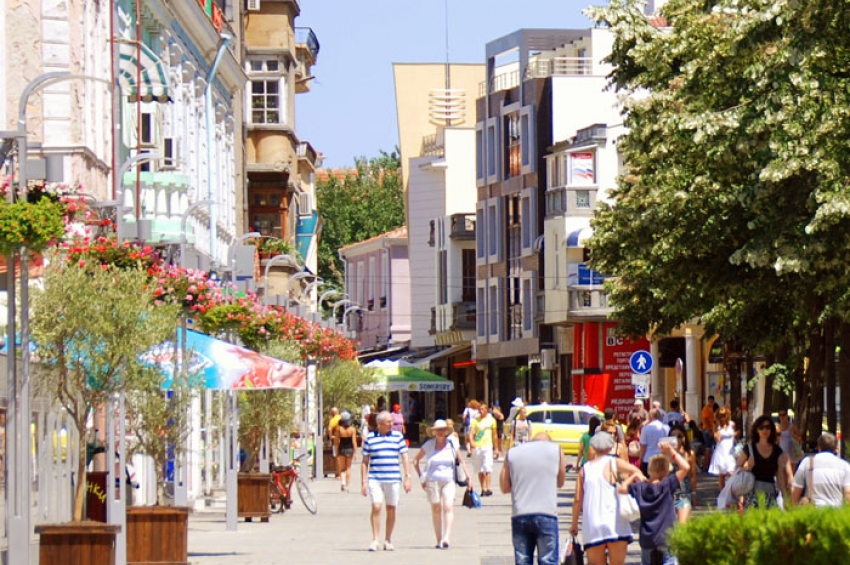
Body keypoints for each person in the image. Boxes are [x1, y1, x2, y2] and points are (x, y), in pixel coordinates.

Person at [570, 432, 644, 565]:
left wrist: (574, 523)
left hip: (593, 524)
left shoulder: (585, 470)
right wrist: (632, 484)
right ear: (611, 447)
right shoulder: (614, 462)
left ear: (593, 447)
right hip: (615, 522)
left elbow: (577, 499)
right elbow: (636, 472)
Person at [619, 441, 690, 565]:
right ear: (664, 471)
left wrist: (634, 476)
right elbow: (686, 467)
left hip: (647, 537)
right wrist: (672, 451)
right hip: (666, 536)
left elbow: (621, 489)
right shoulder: (667, 485)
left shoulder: (640, 487)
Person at [500, 432, 566, 565]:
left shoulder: (513, 453)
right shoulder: (557, 450)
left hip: (520, 513)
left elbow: (504, 487)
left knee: (522, 561)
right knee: (548, 560)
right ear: (548, 442)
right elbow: (560, 482)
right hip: (547, 513)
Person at [413, 419, 472, 549]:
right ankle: (438, 539)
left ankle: (446, 537)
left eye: (442, 430)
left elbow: (461, 460)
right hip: (432, 480)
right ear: (434, 432)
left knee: (448, 506)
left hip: (448, 479)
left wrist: (468, 477)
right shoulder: (429, 445)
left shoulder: (452, 443)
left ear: (446, 431)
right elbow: (415, 460)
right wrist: (421, 477)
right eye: (438, 430)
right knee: (436, 508)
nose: (440, 432)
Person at [361, 410, 412, 551]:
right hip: (375, 478)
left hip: (393, 478)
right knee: (376, 506)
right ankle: (375, 539)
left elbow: (405, 457)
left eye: (392, 421)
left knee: (391, 508)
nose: (392, 424)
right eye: (389, 422)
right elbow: (365, 461)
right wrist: (363, 482)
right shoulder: (370, 438)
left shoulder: (398, 436)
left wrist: (407, 477)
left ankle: (388, 539)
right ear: (380, 423)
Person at [737, 414, 792, 509]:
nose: (765, 430)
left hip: (770, 493)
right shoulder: (749, 448)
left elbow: (779, 475)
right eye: (761, 427)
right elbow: (736, 470)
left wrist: (784, 495)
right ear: (756, 430)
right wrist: (746, 467)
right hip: (752, 494)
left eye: (768, 427)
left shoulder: (777, 451)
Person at [791, 432, 850, 507]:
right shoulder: (845, 466)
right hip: (836, 511)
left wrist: (792, 508)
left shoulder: (807, 462)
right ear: (836, 449)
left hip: (812, 510)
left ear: (819, 447)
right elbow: (848, 493)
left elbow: (796, 490)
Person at [668, 423, 698, 523]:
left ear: (684, 438)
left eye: (679, 436)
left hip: (682, 493)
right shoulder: (666, 454)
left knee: (682, 522)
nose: (676, 439)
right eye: (673, 436)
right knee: (671, 523)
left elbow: (693, 475)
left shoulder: (689, 453)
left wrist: (694, 493)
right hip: (669, 492)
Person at [469, 401, 499, 496]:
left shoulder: (491, 420)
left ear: (486, 409)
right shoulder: (475, 421)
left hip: (487, 446)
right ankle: (483, 489)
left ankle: (488, 488)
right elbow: (471, 433)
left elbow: (495, 435)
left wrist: (496, 448)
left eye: (482, 409)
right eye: (479, 409)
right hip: (478, 447)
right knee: (480, 469)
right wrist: (472, 442)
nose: (480, 411)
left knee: (487, 467)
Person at [707, 407, 737, 491]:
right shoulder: (717, 426)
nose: (722, 417)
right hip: (721, 451)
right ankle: (722, 494)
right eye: (720, 416)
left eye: (724, 415)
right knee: (722, 475)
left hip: (730, 452)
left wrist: (735, 435)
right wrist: (717, 426)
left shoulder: (732, 424)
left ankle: (732, 492)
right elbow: (717, 439)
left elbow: (734, 435)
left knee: (732, 473)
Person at [639, 409, 670, 476]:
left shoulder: (645, 428)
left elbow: (643, 446)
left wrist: (640, 459)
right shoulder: (666, 428)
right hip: (662, 458)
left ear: (650, 416)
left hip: (648, 458)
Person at [334, 411, 358, 492]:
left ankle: (343, 482)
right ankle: (347, 486)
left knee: (342, 468)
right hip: (349, 449)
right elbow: (354, 442)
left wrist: (336, 451)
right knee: (348, 467)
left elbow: (336, 441)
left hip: (341, 449)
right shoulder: (352, 429)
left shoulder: (339, 429)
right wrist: (355, 452)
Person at [700, 396, 716, 469]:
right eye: (710, 401)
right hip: (707, 430)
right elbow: (706, 419)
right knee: (708, 448)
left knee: (710, 447)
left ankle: (708, 465)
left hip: (710, 429)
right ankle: (705, 465)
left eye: (712, 402)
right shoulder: (706, 409)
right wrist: (710, 430)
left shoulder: (711, 409)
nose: (711, 403)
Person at [327, 407, 341, 477]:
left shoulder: (333, 420)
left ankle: (338, 474)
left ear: (333, 413)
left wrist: (331, 436)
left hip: (336, 440)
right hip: (344, 439)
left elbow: (329, 429)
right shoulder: (341, 418)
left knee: (337, 456)